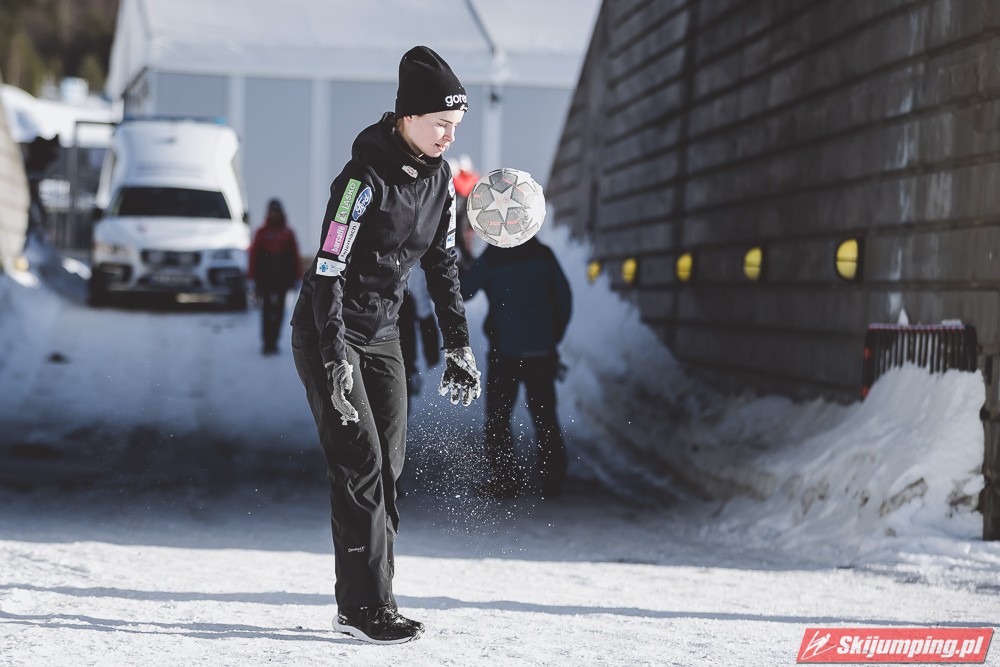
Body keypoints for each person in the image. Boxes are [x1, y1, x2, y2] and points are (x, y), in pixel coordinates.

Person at [290, 45, 481, 645]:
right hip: (331, 331)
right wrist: (333, 357)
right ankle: (365, 607)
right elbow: (328, 270)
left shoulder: (441, 182)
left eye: (456, 125)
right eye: (441, 123)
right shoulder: (360, 181)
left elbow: (442, 264)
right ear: (408, 116)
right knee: (362, 464)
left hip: (384, 335)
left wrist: (457, 344)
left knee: (388, 469)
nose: (449, 135)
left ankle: (374, 599)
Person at [460, 235, 572, 499]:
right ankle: (553, 477)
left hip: (505, 352)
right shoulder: (544, 254)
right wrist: (551, 336)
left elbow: (465, 290)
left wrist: (463, 263)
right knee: (545, 415)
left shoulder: (494, 256)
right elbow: (564, 298)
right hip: (541, 352)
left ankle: (505, 478)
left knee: (498, 418)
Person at [247, 198, 301, 355]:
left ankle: (275, 341)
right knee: (266, 310)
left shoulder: (287, 234)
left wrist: (297, 277)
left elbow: (295, 257)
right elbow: (254, 257)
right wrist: (251, 278)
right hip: (265, 280)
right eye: (272, 212)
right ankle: (267, 342)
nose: (274, 215)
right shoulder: (262, 233)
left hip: (283, 280)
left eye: (276, 212)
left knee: (279, 310)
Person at [397, 264, 441, 410]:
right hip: (402, 344)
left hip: (399, 340)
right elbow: (423, 311)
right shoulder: (415, 264)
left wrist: (431, 352)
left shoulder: (414, 267)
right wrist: (431, 353)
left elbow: (423, 310)